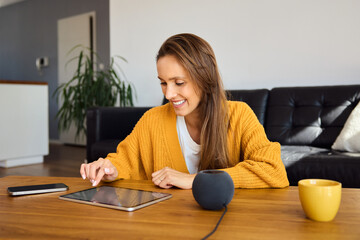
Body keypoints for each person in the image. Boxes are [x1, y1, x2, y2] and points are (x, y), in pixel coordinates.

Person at [80, 33, 289, 189]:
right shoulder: (153, 120)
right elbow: (124, 161)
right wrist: (109, 169)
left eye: (179, 83)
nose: (169, 93)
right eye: (163, 83)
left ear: (205, 79)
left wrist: (195, 180)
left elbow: (274, 171)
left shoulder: (240, 115)